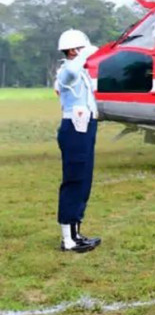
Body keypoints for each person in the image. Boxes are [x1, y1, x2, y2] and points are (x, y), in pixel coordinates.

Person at [54, 29, 102, 253]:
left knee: (84, 180)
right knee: (73, 181)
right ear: (74, 50)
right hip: (74, 128)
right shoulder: (67, 71)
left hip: (85, 126)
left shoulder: (80, 71)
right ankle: (68, 239)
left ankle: (76, 232)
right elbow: (72, 70)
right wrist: (83, 54)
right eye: (82, 49)